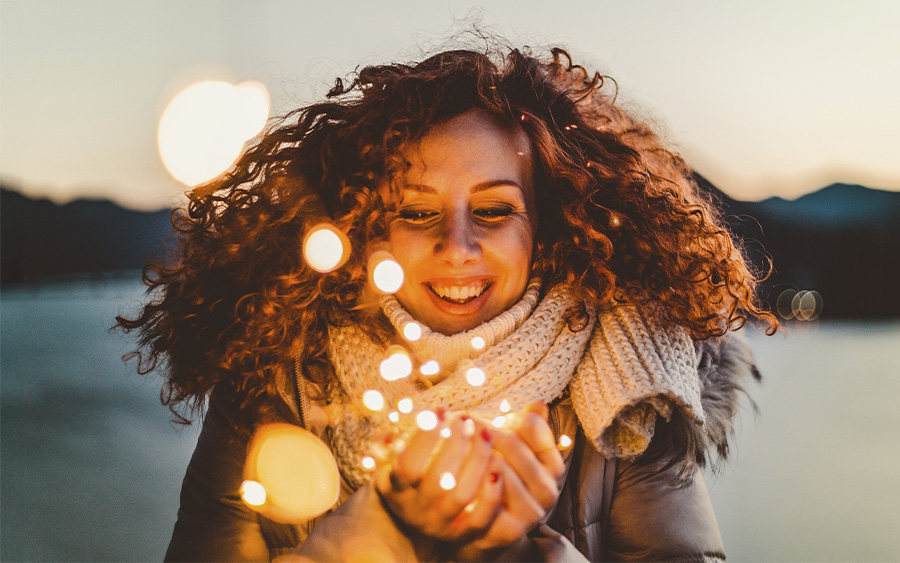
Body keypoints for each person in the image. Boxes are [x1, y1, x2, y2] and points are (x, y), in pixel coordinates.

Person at [119, 44, 777, 561]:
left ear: (543, 227)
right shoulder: (273, 378)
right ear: (366, 224)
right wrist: (382, 531)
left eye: (493, 209)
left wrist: (521, 549)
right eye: (415, 211)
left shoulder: (630, 385)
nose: (456, 246)